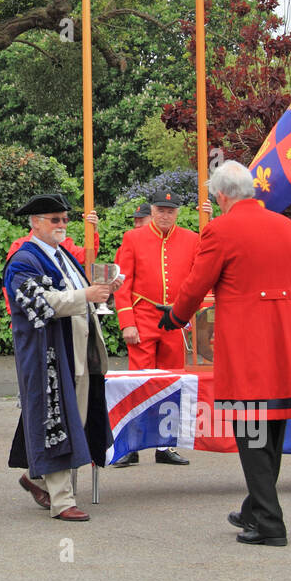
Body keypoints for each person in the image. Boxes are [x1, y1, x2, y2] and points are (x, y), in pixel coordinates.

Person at [161, 162, 291, 546]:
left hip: (247, 342)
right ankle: (255, 509)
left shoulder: (220, 228)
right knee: (273, 425)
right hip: (284, 337)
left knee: (251, 431)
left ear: (222, 195)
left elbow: (198, 282)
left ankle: (269, 523)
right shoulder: (285, 226)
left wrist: (176, 316)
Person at [4, 192, 113, 522]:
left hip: (76, 350)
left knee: (74, 420)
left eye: (65, 219)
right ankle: (62, 500)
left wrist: (103, 291)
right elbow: (39, 302)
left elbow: (78, 295)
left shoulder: (63, 254)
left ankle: (37, 477)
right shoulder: (23, 259)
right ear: (35, 224)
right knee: (57, 421)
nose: (63, 225)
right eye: (55, 220)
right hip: (46, 354)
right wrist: (86, 294)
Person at [112, 192, 198, 467]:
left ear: (177, 213)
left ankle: (165, 446)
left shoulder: (191, 239)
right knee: (140, 384)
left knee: (172, 383)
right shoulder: (133, 238)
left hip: (174, 319)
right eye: (161, 210)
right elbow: (122, 283)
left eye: (170, 211)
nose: (165, 215)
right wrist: (127, 322)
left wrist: (188, 317)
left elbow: (198, 279)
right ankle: (131, 446)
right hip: (143, 317)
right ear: (152, 210)